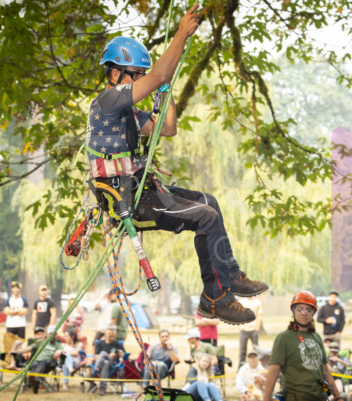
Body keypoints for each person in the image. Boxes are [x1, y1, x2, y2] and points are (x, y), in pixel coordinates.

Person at [86, 6, 268, 326]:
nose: (140, 82)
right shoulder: (108, 101)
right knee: (206, 217)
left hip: (140, 191)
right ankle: (214, 298)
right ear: (115, 73)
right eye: (135, 75)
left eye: (142, 76)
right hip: (125, 199)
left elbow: (166, 127)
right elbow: (158, 74)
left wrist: (164, 91)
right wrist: (181, 35)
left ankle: (228, 274)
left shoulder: (126, 114)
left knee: (208, 202)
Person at [264, 291, 343, 401]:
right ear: (293, 311)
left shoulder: (316, 337)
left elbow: (325, 370)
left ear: (313, 313)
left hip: (320, 397)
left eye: (308, 310)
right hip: (297, 397)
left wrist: (338, 397)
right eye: (300, 309)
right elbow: (273, 371)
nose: (304, 313)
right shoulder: (283, 338)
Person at [12, 326, 62, 394]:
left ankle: (35, 379)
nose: (53, 335)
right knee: (34, 364)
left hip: (48, 363)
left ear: (56, 335)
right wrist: (17, 351)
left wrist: (58, 351)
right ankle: (34, 381)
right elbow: (28, 348)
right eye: (51, 334)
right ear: (47, 334)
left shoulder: (57, 344)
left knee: (43, 362)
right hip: (36, 361)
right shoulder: (40, 341)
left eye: (54, 334)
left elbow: (61, 350)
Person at [87, 325, 125, 396]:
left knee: (103, 353)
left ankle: (93, 372)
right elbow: (96, 356)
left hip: (113, 365)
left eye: (113, 336)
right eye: (110, 336)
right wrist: (106, 356)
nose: (112, 338)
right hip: (102, 365)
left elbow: (126, 357)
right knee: (105, 362)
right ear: (105, 334)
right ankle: (102, 388)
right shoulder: (99, 343)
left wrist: (120, 354)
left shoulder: (118, 344)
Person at [238, 296, 263, 367]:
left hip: (254, 330)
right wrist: (240, 326)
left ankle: (257, 366)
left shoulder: (258, 302)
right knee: (242, 351)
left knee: (256, 351)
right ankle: (241, 367)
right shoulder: (241, 302)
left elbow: (259, 315)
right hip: (244, 330)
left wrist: (257, 328)